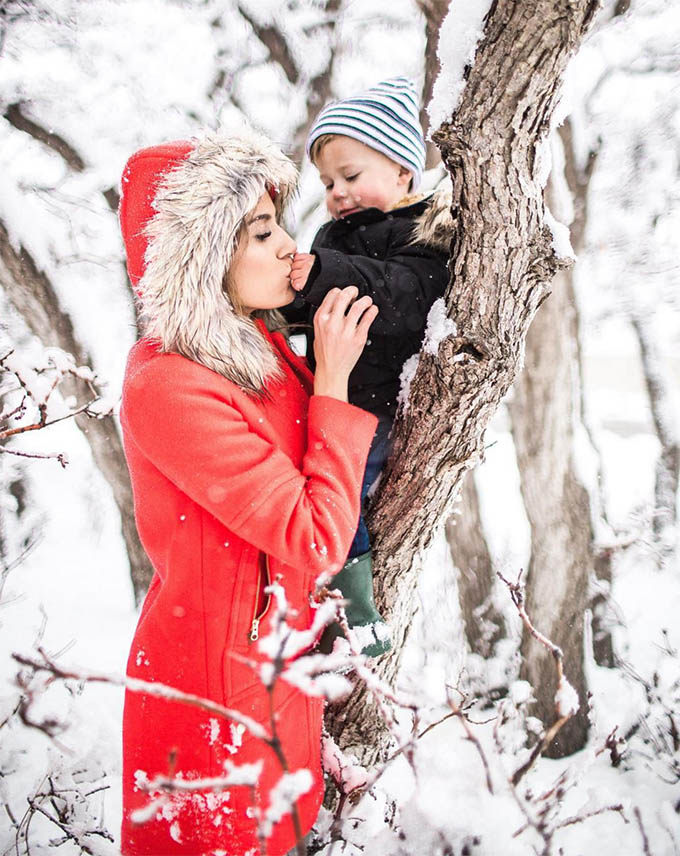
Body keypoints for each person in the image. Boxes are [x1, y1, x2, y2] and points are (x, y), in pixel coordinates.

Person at [117, 130, 378, 856]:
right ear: (204, 255)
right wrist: (332, 380)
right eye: (263, 232)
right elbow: (315, 534)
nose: (290, 246)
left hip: (276, 673)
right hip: (210, 702)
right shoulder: (168, 384)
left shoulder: (258, 351)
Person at [284, 77, 453, 656]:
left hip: (377, 401)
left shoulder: (422, 230)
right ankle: (312, 593)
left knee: (343, 492)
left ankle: (354, 602)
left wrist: (326, 274)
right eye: (329, 182)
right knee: (309, 487)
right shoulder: (334, 233)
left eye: (350, 176)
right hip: (332, 393)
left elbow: (405, 295)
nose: (337, 192)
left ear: (404, 171)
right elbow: (313, 305)